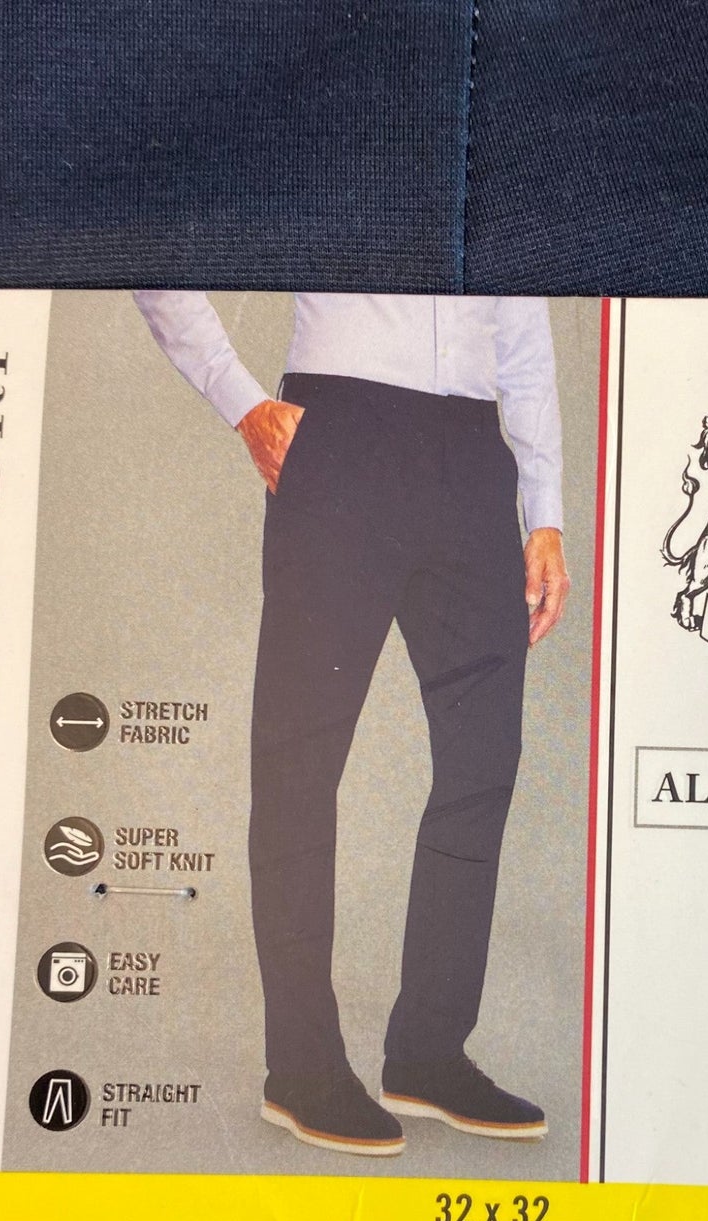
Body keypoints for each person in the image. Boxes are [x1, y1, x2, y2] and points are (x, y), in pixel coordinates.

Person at [133, 292, 569, 1156]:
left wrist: (545, 508)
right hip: (343, 439)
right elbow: (160, 262)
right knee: (299, 764)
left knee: (483, 763)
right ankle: (300, 1069)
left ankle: (428, 1053)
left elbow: (521, 328)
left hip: (473, 457)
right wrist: (240, 400)